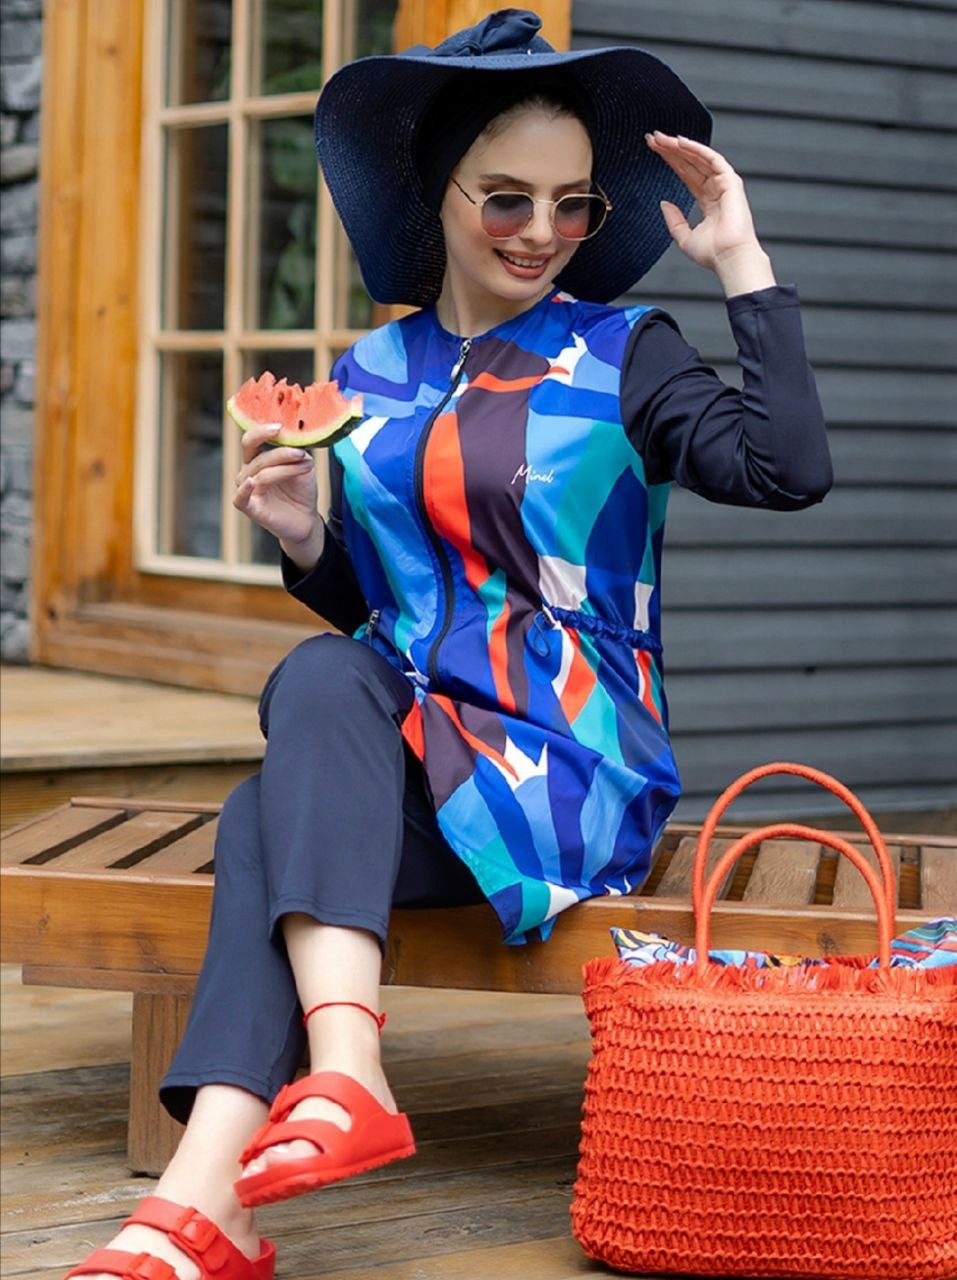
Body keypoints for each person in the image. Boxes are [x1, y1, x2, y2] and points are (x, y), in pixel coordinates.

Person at [66, 9, 831, 1279]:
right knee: (293, 745)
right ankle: (222, 1192)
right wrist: (311, 539)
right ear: (439, 191)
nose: (543, 234)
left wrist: (742, 264)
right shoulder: (368, 371)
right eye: (509, 199)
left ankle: (259, 1152)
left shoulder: (623, 353)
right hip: (421, 759)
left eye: (575, 206)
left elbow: (788, 467)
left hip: (565, 769)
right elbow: (387, 612)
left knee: (281, 779)